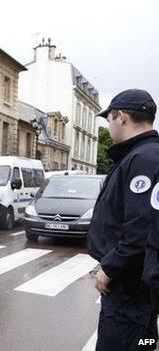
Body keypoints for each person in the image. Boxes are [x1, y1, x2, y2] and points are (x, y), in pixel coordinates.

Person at [87, 89, 159, 351]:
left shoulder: (143, 159)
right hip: (138, 290)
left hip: (129, 290)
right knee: (144, 342)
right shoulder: (141, 155)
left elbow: (141, 230)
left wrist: (110, 268)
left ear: (123, 117)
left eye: (109, 118)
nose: (108, 126)